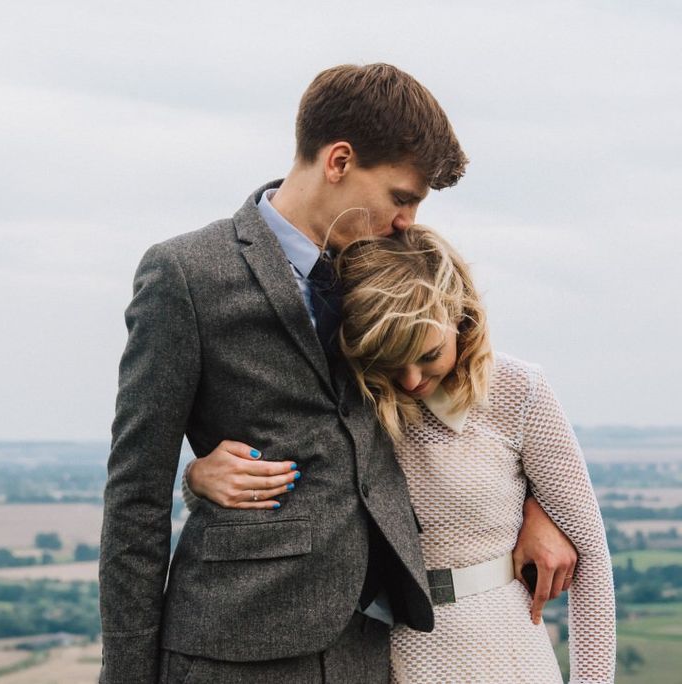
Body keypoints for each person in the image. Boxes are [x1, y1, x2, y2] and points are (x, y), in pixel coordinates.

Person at [98, 63, 577, 684]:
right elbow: (135, 495)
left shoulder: (390, 269)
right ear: (340, 160)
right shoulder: (187, 274)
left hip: (370, 648)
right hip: (232, 646)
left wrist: (536, 500)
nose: (408, 220)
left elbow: (467, 394)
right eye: (401, 197)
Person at [185, 225, 616, 683]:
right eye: (391, 359)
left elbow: (591, 561)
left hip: (501, 652)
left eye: (428, 355)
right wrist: (197, 478)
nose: (410, 380)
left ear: (460, 315)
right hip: (372, 656)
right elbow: (287, 494)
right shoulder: (347, 397)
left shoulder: (517, 390)